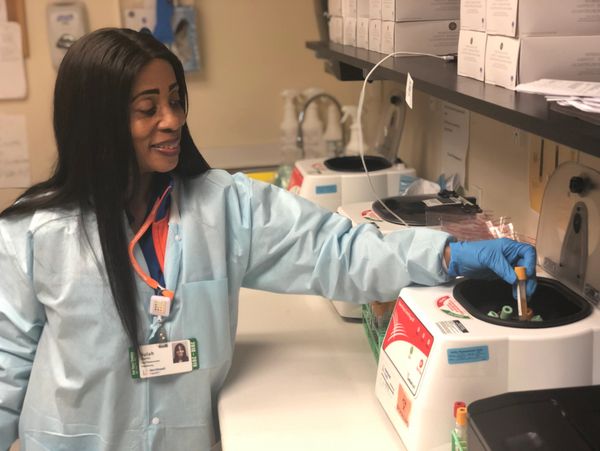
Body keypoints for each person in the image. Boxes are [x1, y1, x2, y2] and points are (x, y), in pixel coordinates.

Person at [0, 28, 536, 451]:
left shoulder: (222, 205)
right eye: (148, 108)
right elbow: (6, 365)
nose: (172, 120)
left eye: (176, 100)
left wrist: (449, 253)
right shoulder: (34, 232)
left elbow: (336, 250)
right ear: (97, 121)